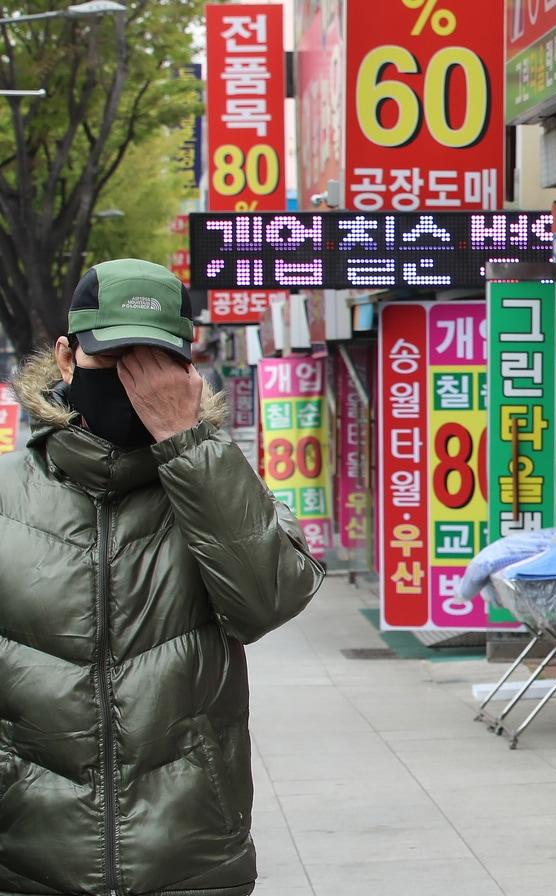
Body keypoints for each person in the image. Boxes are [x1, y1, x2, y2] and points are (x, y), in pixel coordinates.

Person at [0, 259, 324, 896]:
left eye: (154, 363)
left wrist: (188, 445)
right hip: (27, 859)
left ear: (187, 370)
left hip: (191, 855)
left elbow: (267, 604)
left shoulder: (221, 486)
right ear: (66, 360)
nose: (134, 384)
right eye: (113, 361)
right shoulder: (7, 494)